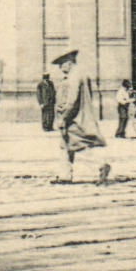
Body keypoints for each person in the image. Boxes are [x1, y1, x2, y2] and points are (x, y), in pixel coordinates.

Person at [52, 51, 110, 184]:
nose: (60, 68)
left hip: (74, 119)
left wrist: (64, 117)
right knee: (65, 146)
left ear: (69, 62)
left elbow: (72, 100)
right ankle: (64, 175)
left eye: (61, 65)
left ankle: (100, 165)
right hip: (76, 116)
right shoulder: (80, 74)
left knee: (79, 146)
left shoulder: (74, 77)